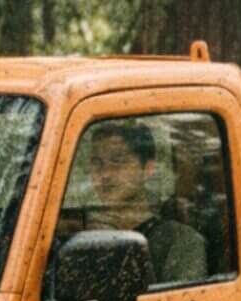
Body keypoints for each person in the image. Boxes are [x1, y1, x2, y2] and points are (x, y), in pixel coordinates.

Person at [82, 122, 207, 285]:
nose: (105, 174)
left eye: (118, 161)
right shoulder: (86, 238)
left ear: (147, 169)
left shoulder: (180, 241)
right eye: (97, 163)